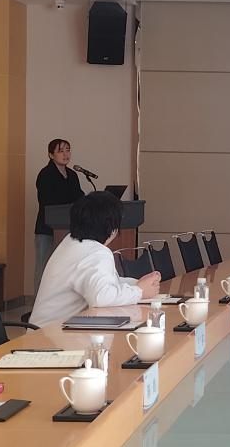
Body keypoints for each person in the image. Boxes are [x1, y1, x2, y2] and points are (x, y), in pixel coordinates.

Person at [30, 192, 161, 326]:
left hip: (46, 330)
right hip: (50, 334)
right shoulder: (95, 252)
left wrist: (138, 284)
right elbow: (101, 297)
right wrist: (139, 291)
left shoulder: (73, 242)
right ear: (111, 228)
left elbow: (105, 283)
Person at [34, 138, 84, 294]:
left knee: (65, 269)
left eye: (67, 150)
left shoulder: (72, 175)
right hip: (47, 229)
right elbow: (47, 201)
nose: (65, 154)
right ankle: (39, 303)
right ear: (51, 155)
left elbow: (79, 197)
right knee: (44, 267)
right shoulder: (45, 174)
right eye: (60, 151)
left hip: (68, 229)